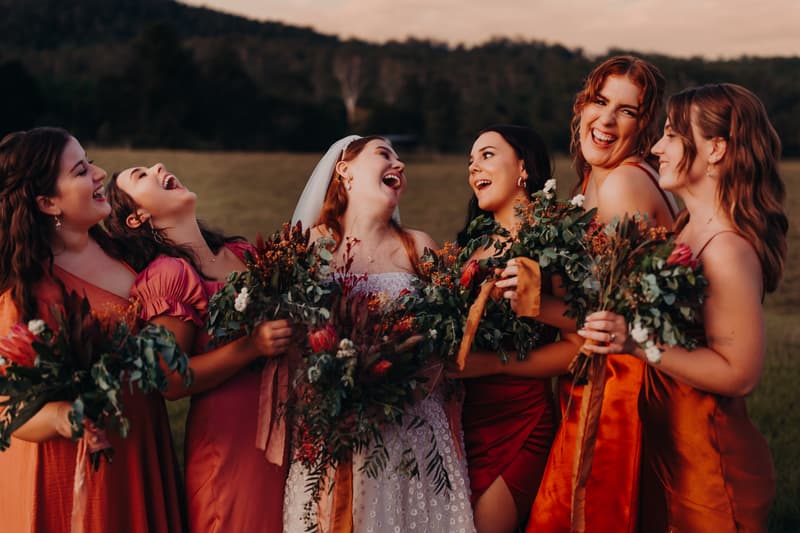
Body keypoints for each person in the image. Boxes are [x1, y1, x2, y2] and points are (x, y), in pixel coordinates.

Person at [579, 83, 786, 532]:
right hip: (668, 454)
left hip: (710, 468)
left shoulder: (727, 249)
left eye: (672, 135)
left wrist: (637, 344)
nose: (656, 147)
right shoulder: (685, 227)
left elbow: (740, 374)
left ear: (715, 148)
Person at [284, 135, 476, 533]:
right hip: (336, 432)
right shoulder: (313, 247)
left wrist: (408, 381)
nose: (399, 164)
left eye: (400, 157)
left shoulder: (417, 247)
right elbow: (295, 343)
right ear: (345, 171)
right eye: (384, 154)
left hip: (415, 432)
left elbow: (446, 340)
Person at [0, 127, 184, 532]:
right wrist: (63, 417)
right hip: (75, 467)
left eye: (90, 162)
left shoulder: (127, 248)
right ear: (48, 202)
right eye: (81, 171)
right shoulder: (28, 296)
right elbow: (5, 410)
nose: (99, 174)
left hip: (139, 445)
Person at [526, 55, 678, 532]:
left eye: (627, 111)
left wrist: (537, 306)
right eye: (600, 101)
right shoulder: (594, 180)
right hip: (593, 371)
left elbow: (614, 316)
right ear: (583, 106)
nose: (607, 120)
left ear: (645, 126)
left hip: (619, 387)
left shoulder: (626, 183)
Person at [105, 163, 293, 532]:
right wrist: (252, 347)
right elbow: (171, 381)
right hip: (232, 445)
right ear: (136, 218)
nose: (158, 167)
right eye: (141, 175)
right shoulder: (169, 274)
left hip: (287, 424)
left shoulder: (242, 252)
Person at [449, 125, 582, 533]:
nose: (474, 168)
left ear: (523, 166)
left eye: (487, 155)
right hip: (462, 417)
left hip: (519, 419)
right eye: (471, 161)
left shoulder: (553, 241)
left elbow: (577, 347)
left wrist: (494, 365)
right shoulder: (471, 247)